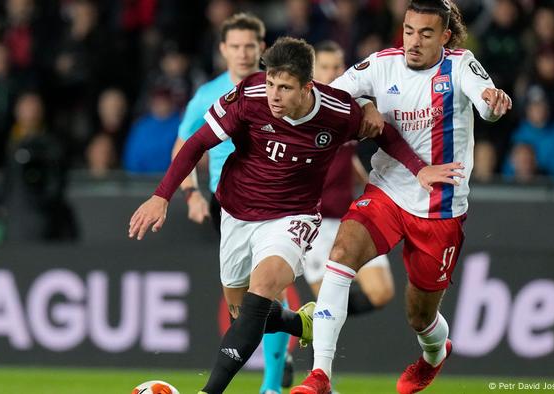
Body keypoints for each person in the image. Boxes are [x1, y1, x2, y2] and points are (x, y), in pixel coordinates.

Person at [128, 36, 452, 394]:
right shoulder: (249, 98)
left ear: (307, 88)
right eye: (270, 83)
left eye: (284, 87)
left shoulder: (338, 112)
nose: (274, 95)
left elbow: (385, 134)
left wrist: (419, 169)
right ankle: (301, 324)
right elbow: (197, 143)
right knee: (244, 315)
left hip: (292, 217)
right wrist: (162, 196)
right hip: (237, 212)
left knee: (263, 289)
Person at [292, 1, 512, 393]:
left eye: (426, 34)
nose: (414, 41)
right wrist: (363, 103)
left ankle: (434, 354)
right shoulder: (381, 64)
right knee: (340, 255)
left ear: (444, 36)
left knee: (420, 316)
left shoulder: (460, 65)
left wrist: (494, 103)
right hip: (387, 190)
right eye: (409, 31)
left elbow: (485, 102)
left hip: (440, 208)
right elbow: (332, 94)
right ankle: (321, 374)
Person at [170, 13, 293, 393]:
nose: (242, 54)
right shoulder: (207, 95)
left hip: (274, 202)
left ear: (263, 48)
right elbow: (183, 148)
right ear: (223, 49)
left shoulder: (281, 91)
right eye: (235, 46)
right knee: (243, 307)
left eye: (250, 46)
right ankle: (293, 329)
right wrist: (191, 194)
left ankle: (270, 385)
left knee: (266, 287)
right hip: (228, 205)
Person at [304, 40, 394, 318]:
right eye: (325, 67)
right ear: (312, 72)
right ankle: (317, 331)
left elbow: (348, 154)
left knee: (381, 292)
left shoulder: (353, 107)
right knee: (327, 303)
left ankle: (318, 319)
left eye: (337, 66)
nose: (332, 73)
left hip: (351, 217)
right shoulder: (303, 112)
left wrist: (369, 185)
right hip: (315, 225)